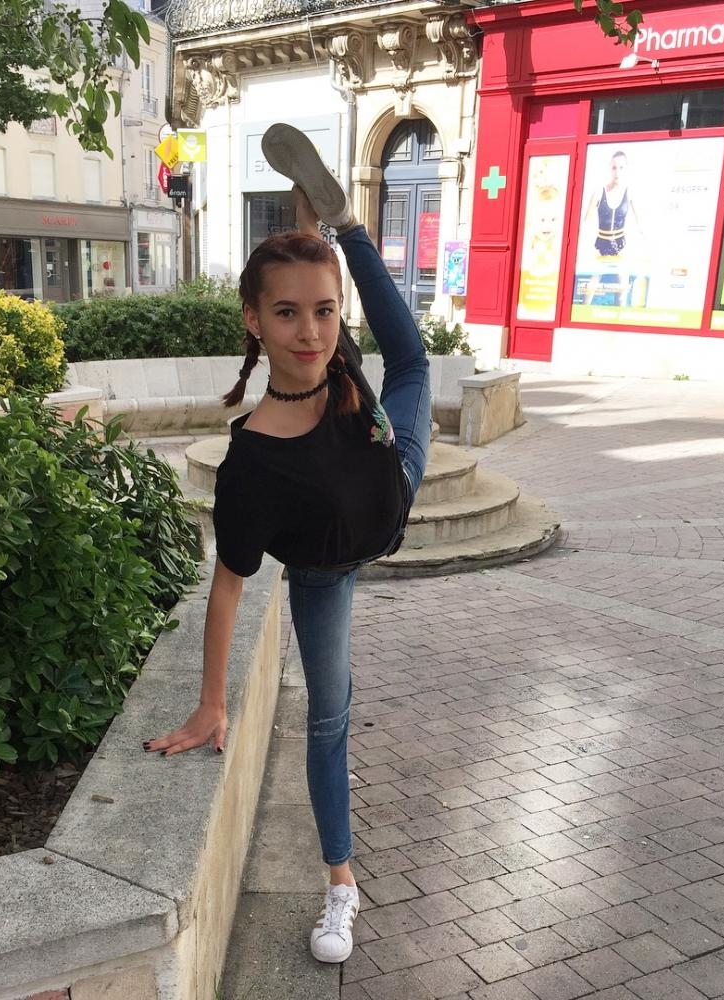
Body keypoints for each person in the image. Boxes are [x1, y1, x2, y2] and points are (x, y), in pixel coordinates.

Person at [143, 123, 432, 965]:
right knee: (329, 718)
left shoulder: (338, 362)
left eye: (324, 311)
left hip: (398, 474)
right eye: (286, 314)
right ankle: (341, 882)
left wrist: (324, 236)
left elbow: (366, 331)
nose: (310, 333)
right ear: (253, 321)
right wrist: (213, 702)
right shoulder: (253, 463)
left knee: (412, 366)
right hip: (327, 571)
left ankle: (350, 228)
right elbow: (228, 586)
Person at [580, 149, 644, 305]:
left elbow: (640, 223)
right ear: (610, 168)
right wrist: (587, 248)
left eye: (621, 168)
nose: (617, 172)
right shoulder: (599, 191)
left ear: (626, 169)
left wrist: (640, 248)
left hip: (621, 245)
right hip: (601, 244)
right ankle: (582, 313)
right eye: (614, 168)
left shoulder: (630, 192)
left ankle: (619, 317)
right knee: (591, 287)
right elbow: (585, 222)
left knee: (622, 289)